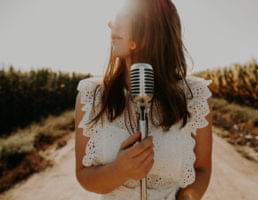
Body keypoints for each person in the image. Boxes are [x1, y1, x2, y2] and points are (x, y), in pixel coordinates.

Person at [74, 0, 213, 199]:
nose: (110, 24)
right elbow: (83, 175)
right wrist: (118, 171)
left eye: (121, 18)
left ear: (149, 30)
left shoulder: (194, 95)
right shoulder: (91, 94)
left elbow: (202, 170)